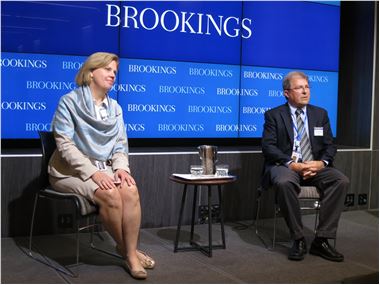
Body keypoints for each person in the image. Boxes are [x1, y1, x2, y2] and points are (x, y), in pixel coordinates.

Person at [48, 52, 154, 279]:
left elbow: (119, 145)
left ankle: (126, 249)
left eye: (115, 71)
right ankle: (131, 254)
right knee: (111, 195)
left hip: (103, 169)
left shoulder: (115, 108)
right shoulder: (69, 102)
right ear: (90, 72)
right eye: (107, 69)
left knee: (130, 189)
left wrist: (121, 169)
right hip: (69, 172)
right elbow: (65, 145)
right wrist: (94, 173)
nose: (112, 74)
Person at [261, 71, 349, 262]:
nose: (305, 91)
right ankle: (298, 238)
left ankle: (322, 240)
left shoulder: (320, 114)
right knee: (284, 182)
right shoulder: (274, 115)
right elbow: (268, 147)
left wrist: (321, 163)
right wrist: (293, 165)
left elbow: (329, 145)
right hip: (286, 166)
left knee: (340, 180)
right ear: (286, 93)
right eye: (299, 87)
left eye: (307, 87)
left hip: (314, 166)